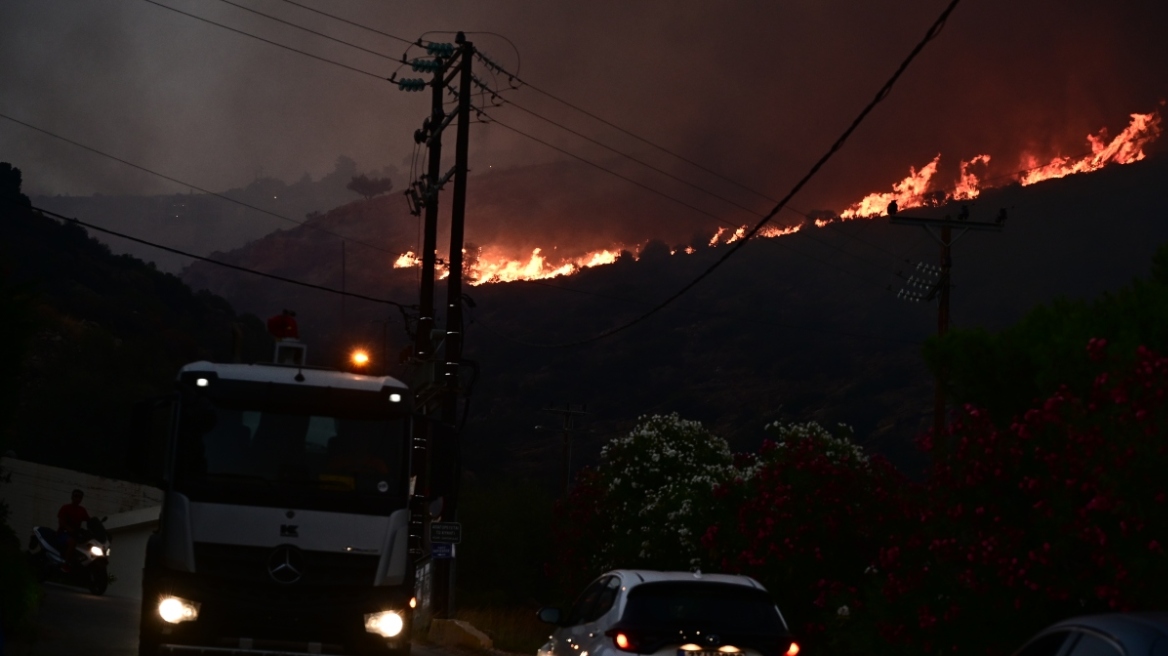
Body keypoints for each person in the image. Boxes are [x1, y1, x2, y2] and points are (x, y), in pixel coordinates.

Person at [57, 489, 90, 570]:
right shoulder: (65, 508)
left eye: (80, 497)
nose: (78, 498)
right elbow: (61, 522)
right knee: (72, 543)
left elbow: (89, 520)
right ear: (72, 497)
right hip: (63, 533)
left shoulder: (82, 510)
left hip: (75, 534)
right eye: (76, 496)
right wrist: (69, 529)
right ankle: (65, 564)